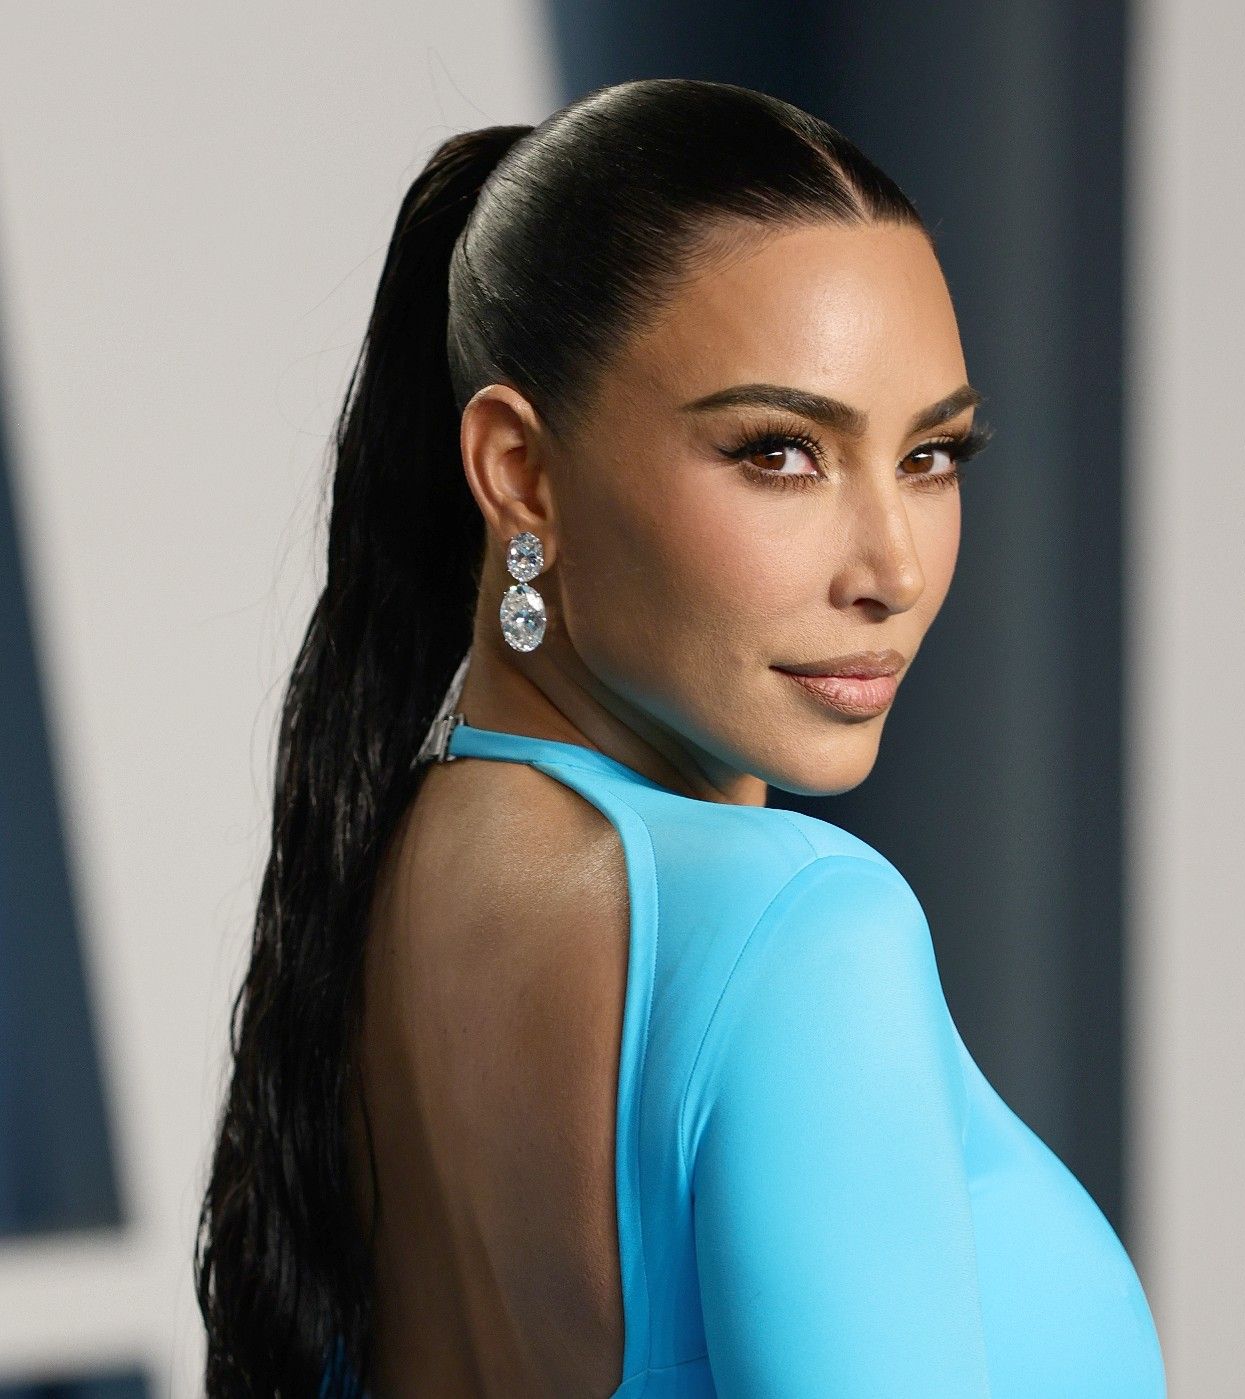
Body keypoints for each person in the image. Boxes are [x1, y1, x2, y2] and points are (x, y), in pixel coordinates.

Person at [194, 77, 1167, 1397]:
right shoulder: (803, 930)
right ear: (520, 472)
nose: (891, 567)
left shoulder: (370, 886)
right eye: (780, 451)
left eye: (932, 457)